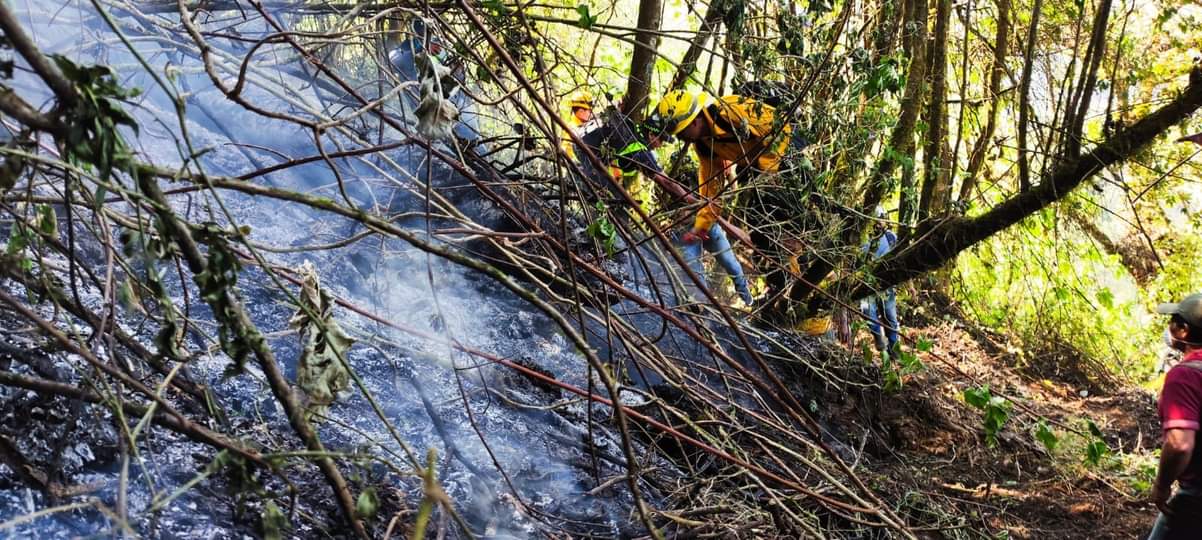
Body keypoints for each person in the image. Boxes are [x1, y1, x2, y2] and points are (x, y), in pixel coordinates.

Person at [642, 90, 796, 307]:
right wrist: (701, 226)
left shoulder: (731, 109)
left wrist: (769, 173)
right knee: (761, 229)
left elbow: (783, 129)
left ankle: (792, 286)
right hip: (759, 172)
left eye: (682, 131)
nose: (680, 138)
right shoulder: (704, 144)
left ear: (694, 120)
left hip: (787, 161)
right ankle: (781, 290)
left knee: (783, 224)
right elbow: (711, 188)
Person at [1148, 292, 1202, 539]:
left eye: (1172, 321)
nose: (1168, 327)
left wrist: (1161, 486)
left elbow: (1179, 445)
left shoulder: (1185, 375)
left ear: (1183, 331)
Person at [860, 207, 900, 354]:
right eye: (874, 220)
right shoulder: (862, 238)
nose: (877, 224)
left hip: (886, 284)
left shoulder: (891, 238)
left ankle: (894, 352)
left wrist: (910, 286)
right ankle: (879, 340)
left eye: (880, 220)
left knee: (890, 318)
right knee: (867, 312)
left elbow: (901, 261)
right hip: (865, 284)